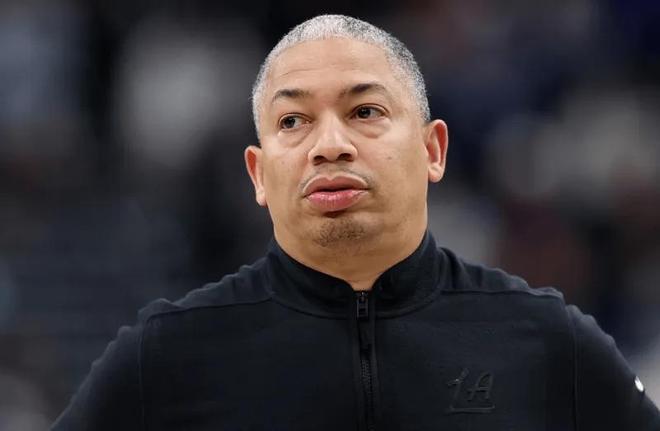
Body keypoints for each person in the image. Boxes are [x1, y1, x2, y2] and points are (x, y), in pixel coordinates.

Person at [51, 14, 660, 431]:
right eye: (293, 122)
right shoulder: (166, 357)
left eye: (365, 111)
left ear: (433, 150)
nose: (329, 146)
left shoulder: (548, 342)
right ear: (258, 174)